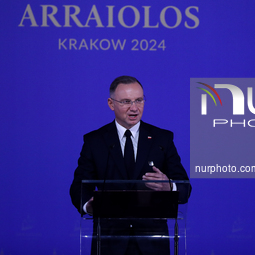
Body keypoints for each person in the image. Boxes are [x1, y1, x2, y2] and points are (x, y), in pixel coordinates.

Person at [70, 75, 191, 255]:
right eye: (126, 101)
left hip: (152, 243)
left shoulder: (162, 139)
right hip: (109, 242)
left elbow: (185, 188)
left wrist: (169, 186)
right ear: (111, 104)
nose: (134, 108)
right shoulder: (95, 141)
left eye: (139, 100)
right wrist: (90, 205)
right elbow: (78, 188)